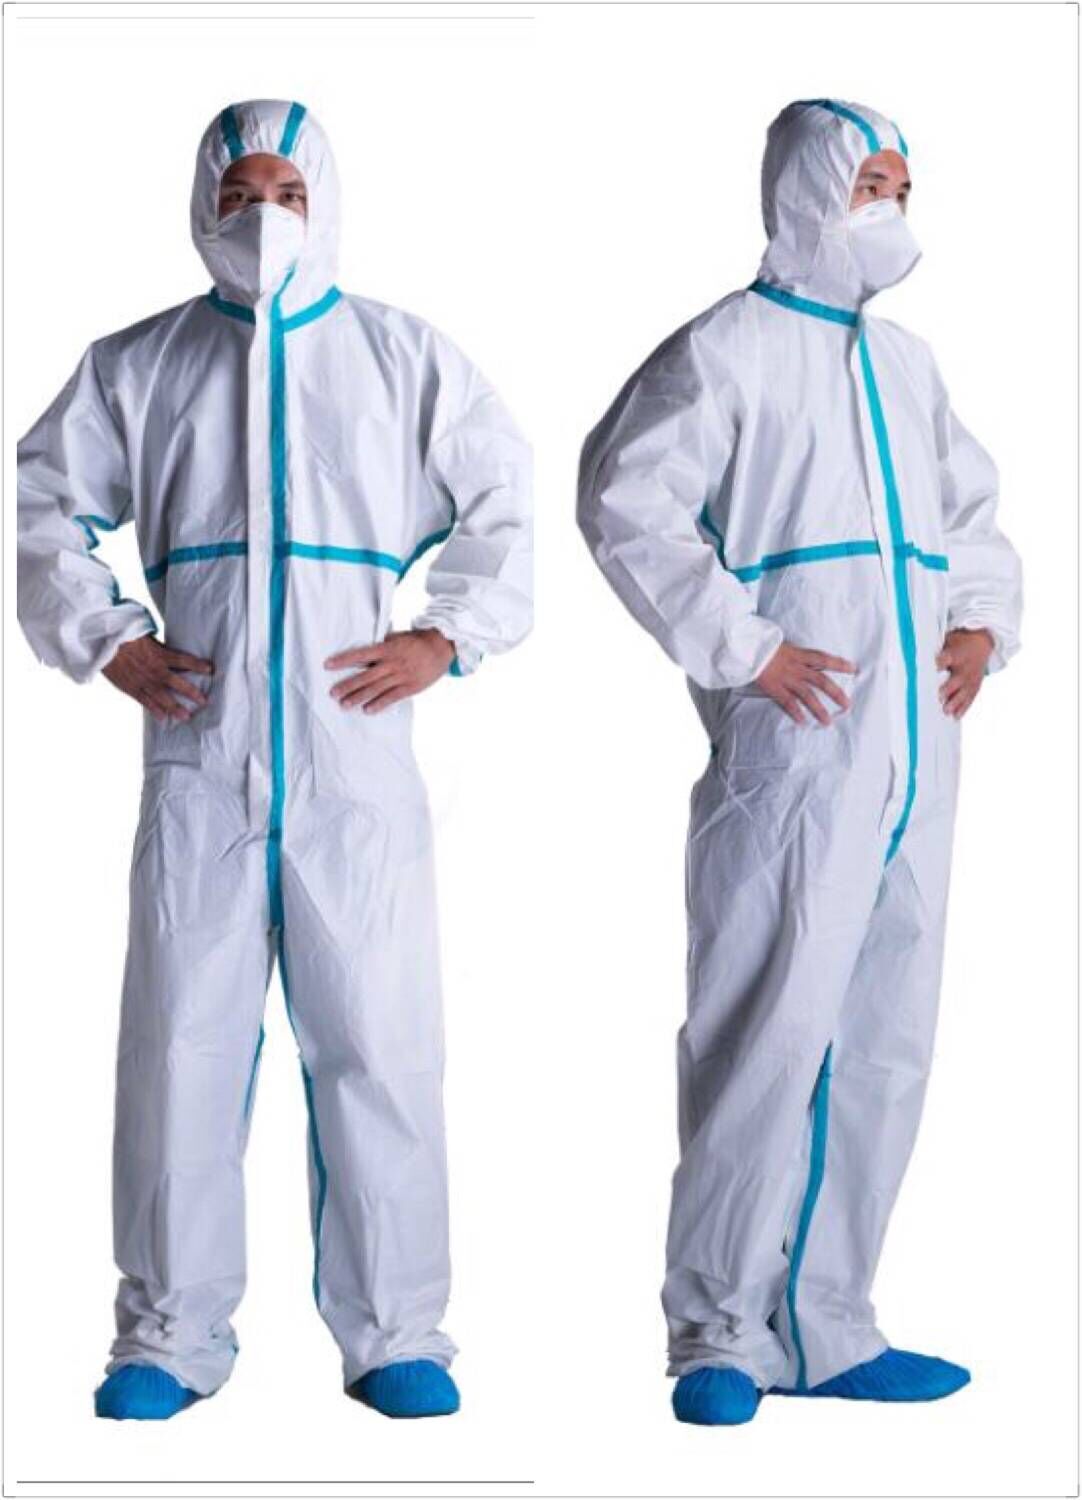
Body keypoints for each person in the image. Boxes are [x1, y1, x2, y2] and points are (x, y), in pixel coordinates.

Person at [18, 98, 532, 1422]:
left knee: (381, 1044)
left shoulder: (401, 357)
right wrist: (107, 639)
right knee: (178, 1050)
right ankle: (166, 1339)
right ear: (203, 206)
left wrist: (446, 638)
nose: (265, 217)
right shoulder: (137, 366)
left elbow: (503, 502)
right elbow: (39, 503)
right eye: (242, 193)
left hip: (356, 759)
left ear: (327, 204)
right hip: (200, 755)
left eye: (289, 194)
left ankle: (396, 1334)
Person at [577, 98, 1021, 1426]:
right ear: (806, 193)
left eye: (900, 187)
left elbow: (969, 513)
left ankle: (831, 1326)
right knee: (765, 1028)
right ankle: (717, 1333)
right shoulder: (726, 348)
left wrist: (978, 623)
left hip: (917, 751)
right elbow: (624, 500)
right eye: (867, 183)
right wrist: (744, 645)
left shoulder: (906, 365)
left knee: (884, 1037)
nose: (889, 208)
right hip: (799, 744)